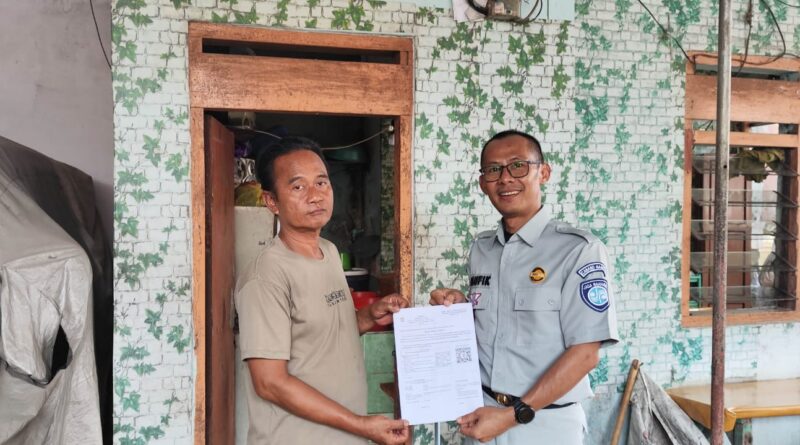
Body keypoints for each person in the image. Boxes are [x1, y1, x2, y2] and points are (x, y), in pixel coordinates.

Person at [430, 130, 619, 444]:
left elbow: (586, 354)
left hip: (546, 424)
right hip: (483, 416)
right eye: (493, 170)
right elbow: (495, 325)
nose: (505, 178)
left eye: (518, 166)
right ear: (483, 183)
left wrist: (512, 415)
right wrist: (459, 306)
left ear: (543, 173)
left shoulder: (578, 250)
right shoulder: (481, 249)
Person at [235, 136, 410, 445]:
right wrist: (360, 425)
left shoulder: (328, 252)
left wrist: (369, 315)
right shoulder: (266, 276)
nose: (315, 196)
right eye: (298, 187)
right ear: (271, 201)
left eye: (321, 182)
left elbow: (323, 335)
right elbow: (269, 383)